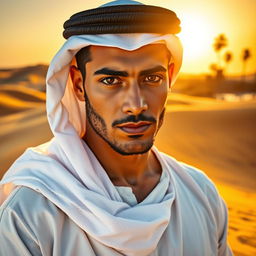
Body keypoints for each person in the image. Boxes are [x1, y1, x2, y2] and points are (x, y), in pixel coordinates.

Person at [0, 0, 233, 255]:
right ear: (79, 85)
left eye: (152, 79)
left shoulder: (201, 193)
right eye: (111, 80)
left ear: (170, 76)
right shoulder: (30, 211)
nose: (136, 104)